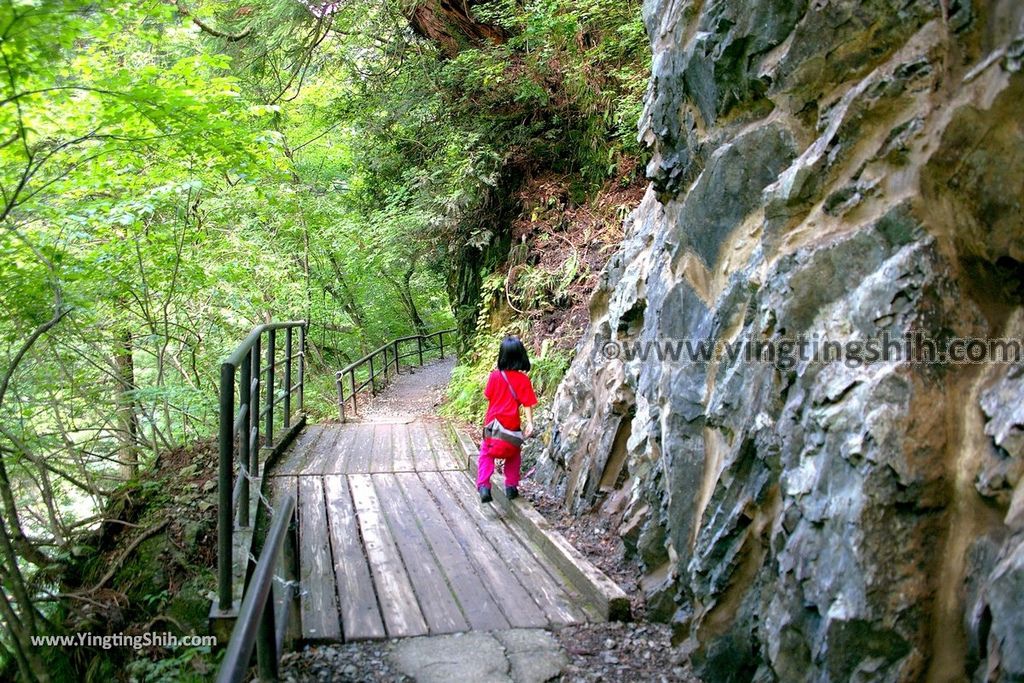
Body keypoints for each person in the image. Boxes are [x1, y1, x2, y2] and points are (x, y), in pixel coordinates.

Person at [477, 335, 537, 503]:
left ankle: (483, 486)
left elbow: (488, 395)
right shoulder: (523, 380)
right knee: (513, 454)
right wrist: (530, 423)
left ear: (502, 356)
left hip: (493, 425)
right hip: (512, 426)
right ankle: (511, 486)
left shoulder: (495, 376)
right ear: (521, 356)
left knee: (486, 454)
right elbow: (527, 404)